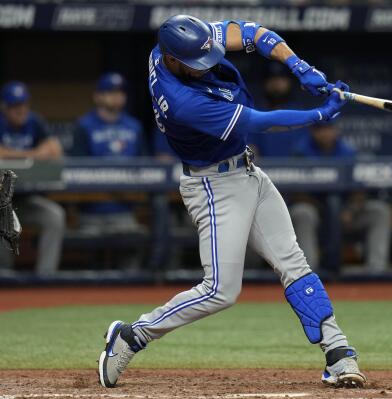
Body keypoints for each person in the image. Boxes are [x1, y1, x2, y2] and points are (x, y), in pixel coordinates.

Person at [97, 16, 365, 389]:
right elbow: (263, 122)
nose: (205, 65)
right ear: (172, 61)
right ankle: (133, 335)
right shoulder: (182, 102)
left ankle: (338, 353)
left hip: (248, 171)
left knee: (293, 262)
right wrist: (320, 113)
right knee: (220, 291)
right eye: (196, 63)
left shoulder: (183, 44)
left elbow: (254, 34)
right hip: (213, 185)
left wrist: (299, 65)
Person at [290, 122, 392, 272]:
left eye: (328, 129)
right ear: (312, 131)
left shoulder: (348, 151)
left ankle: (376, 270)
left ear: (336, 130)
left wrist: (350, 209)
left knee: (379, 211)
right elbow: (296, 192)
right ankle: (308, 273)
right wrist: (327, 212)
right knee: (302, 212)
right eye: (320, 129)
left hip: (346, 214)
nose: (325, 133)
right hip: (315, 212)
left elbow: (360, 188)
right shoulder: (301, 152)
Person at [70, 73, 147, 269]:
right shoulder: (84, 126)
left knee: (132, 256)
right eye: (110, 92)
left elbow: (146, 168)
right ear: (98, 96)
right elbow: (75, 171)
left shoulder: (134, 126)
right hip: (91, 212)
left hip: (125, 212)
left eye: (120, 92)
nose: (116, 96)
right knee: (92, 267)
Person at [0, 81, 65, 275]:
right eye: (14, 106)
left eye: (23, 105)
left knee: (55, 216)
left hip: (26, 199)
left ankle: (46, 277)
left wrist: (12, 155)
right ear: (5, 107)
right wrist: (32, 155)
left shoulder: (34, 122)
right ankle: (4, 274)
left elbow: (55, 149)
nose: (20, 110)